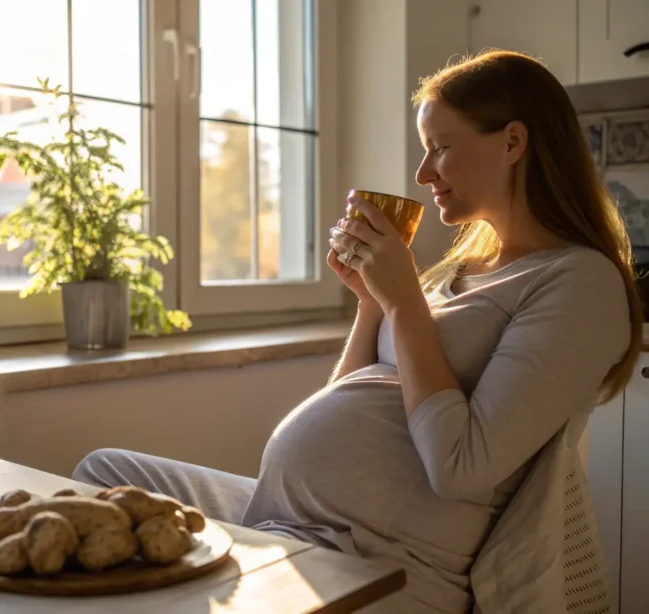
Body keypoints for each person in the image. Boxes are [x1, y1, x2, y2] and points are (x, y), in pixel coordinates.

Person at [72, 50, 642, 613]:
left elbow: (461, 467)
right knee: (103, 475)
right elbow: (353, 393)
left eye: (440, 149)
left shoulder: (579, 282)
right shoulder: (458, 271)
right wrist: (373, 303)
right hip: (291, 512)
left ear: (513, 143)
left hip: (375, 554)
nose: (423, 174)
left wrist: (404, 302)